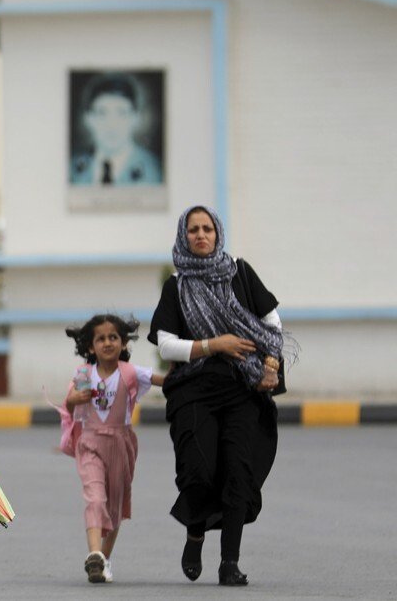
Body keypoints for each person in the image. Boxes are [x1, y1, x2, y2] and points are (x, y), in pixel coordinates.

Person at [148, 205, 288, 586]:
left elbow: (271, 321)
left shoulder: (239, 271)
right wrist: (214, 344)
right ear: (183, 236)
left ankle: (230, 562)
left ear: (217, 232)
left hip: (242, 387)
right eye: (192, 229)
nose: (200, 235)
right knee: (198, 470)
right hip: (195, 388)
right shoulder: (176, 285)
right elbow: (165, 344)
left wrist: (271, 364)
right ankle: (195, 533)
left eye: (207, 228)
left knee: (238, 471)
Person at [62, 314, 164, 584]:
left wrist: (189, 368)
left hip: (121, 444)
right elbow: (71, 408)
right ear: (90, 346)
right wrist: (74, 398)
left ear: (123, 343)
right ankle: (94, 553)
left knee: (115, 505)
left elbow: (163, 381)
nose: (107, 343)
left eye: (113, 337)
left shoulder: (131, 373)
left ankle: (103, 560)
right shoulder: (84, 374)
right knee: (95, 499)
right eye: (101, 338)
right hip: (91, 442)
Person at [69, 72, 163, 186]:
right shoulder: (70, 169)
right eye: (101, 113)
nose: (111, 124)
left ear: (135, 118)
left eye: (121, 113)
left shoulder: (157, 171)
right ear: (88, 119)